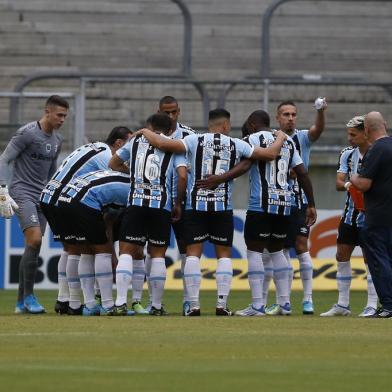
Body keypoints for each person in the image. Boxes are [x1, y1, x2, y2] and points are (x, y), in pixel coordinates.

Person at [139, 108, 287, 316]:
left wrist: (145, 131)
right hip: (222, 208)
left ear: (209, 123)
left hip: (195, 206)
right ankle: (221, 304)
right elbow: (270, 154)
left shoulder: (193, 140)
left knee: (193, 254)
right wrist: (280, 136)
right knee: (223, 255)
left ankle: (193, 304)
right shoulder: (237, 143)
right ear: (226, 125)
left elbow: (163, 143)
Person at [196, 110, 317, 317]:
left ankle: (257, 305)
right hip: (284, 204)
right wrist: (311, 204)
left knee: (255, 252)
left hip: (260, 205)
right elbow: (303, 172)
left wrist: (220, 178)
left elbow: (245, 165)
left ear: (252, 125)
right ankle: (285, 303)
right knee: (277, 251)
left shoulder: (251, 139)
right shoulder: (287, 141)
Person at [40, 126, 132, 315]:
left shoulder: (94, 147)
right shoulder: (108, 157)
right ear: (119, 144)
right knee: (89, 249)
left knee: (72, 249)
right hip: (68, 198)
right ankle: (102, 304)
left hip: (52, 194)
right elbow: (116, 173)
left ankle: (67, 301)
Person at [109, 113, 188, 316]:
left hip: (135, 202)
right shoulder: (175, 144)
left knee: (126, 252)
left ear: (148, 126)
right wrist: (177, 203)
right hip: (161, 206)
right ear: (170, 130)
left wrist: (133, 172)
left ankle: (120, 303)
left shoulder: (135, 141)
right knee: (158, 255)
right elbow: (182, 176)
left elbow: (113, 163)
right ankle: (156, 306)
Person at [0, 95, 68, 313]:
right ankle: (29, 297)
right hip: (22, 192)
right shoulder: (27, 133)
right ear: (47, 111)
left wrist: (54, 193)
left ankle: (21, 303)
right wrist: (3, 189)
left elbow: (51, 172)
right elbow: (4, 159)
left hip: (42, 196)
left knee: (33, 246)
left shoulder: (57, 141)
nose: (62, 119)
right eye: (59, 115)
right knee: (35, 239)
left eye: (65, 116)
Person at [264, 98, 327, 315]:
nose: (290, 118)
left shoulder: (301, 138)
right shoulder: (270, 138)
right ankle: (284, 302)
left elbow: (317, 131)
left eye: (293, 115)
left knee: (301, 245)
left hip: (299, 201)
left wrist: (320, 111)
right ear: (278, 118)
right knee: (279, 250)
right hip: (277, 201)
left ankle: (308, 300)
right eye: (286, 115)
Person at [320, 115, 378, 317]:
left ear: (365, 133)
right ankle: (343, 304)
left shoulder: (377, 153)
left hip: (372, 216)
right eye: (348, 134)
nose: (350, 138)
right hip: (350, 215)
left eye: (353, 134)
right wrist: (350, 186)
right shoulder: (347, 154)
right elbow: (338, 182)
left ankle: (371, 304)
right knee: (341, 255)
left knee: (370, 260)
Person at [143, 96, 195, 314]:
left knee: (186, 249)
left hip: (185, 203)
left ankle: (188, 300)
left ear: (179, 111)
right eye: (166, 112)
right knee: (153, 250)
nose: (170, 116)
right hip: (156, 202)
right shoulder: (148, 136)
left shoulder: (191, 136)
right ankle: (153, 301)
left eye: (174, 112)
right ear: (159, 111)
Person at [56, 170, 131, 316]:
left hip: (64, 199)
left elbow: (107, 219)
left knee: (86, 251)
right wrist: (113, 255)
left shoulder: (119, 176)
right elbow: (109, 219)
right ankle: (108, 305)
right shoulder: (134, 190)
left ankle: (90, 305)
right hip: (83, 201)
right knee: (102, 251)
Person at [351, 111, 392, 318]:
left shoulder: (377, 150)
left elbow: (365, 184)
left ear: (366, 130)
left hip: (378, 216)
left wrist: (354, 178)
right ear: (384, 124)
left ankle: (388, 305)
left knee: (379, 261)